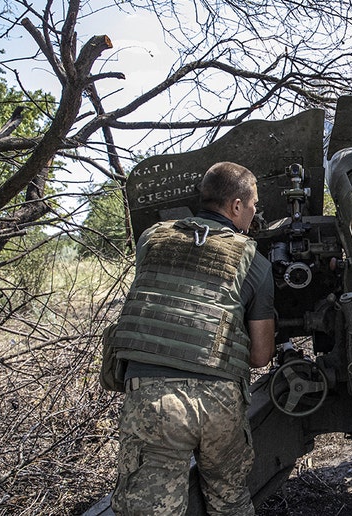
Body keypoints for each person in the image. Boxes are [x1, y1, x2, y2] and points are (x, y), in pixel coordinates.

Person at [110, 161, 276, 515]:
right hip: (220, 405)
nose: (254, 212)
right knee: (230, 501)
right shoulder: (256, 263)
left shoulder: (151, 239)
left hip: (153, 401)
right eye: (253, 205)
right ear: (235, 206)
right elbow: (261, 356)